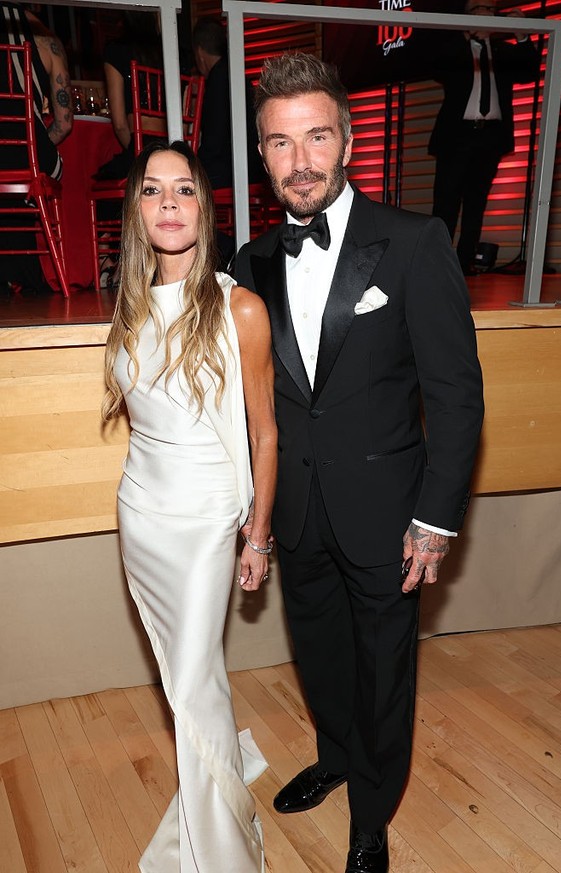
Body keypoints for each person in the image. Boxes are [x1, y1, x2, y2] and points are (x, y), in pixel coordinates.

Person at [235, 53, 484, 873]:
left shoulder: (413, 243)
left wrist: (437, 517)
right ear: (262, 154)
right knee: (321, 653)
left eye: (315, 137)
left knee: (385, 670)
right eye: (279, 143)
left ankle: (372, 812)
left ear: (345, 141)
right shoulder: (252, 262)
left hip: (390, 510)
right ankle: (338, 754)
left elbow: (456, 397)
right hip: (298, 507)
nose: (299, 160)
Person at [102, 140, 277, 872]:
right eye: (152, 190)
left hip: (207, 522)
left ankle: (223, 851)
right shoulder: (129, 305)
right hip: (141, 514)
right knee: (186, 683)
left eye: (183, 189)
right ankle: (216, 782)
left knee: (195, 680)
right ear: (137, 210)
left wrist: (257, 537)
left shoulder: (241, 309)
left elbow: (266, 433)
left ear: (205, 206)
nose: (169, 203)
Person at [429, 1, 539, 275]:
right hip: (457, 136)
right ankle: (435, 264)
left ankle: (465, 264)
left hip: (490, 137)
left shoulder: (502, 52)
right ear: (467, 15)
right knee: (446, 203)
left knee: (477, 204)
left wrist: (522, 32)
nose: (487, 13)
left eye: (491, 8)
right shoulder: (456, 49)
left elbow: (529, 72)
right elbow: (436, 65)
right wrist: (466, 36)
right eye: (479, 7)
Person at [0, 1, 72, 296]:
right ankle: (25, 271)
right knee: (37, 166)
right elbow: (65, 123)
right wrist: (28, 146)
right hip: (32, 155)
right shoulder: (46, 39)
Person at [192, 15, 264, 190]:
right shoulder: (237, 73)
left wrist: (192, 163)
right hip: (253, 168)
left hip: (230, 172)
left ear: (200, 53)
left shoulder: (218, 79)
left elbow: (214, 139)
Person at [95, 11, 165, 181]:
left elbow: (119, 125)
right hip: (172, 145)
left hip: (140, 146)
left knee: (104, 185)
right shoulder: (174, 52)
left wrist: (139, 154)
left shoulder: (117, 52)